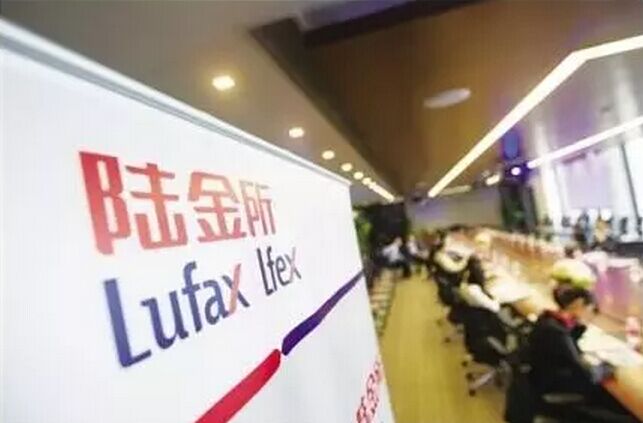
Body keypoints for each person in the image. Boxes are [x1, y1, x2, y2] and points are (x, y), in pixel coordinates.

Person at [528, 287, 637, 422]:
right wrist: (606, 367)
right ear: (579, 304)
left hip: (545, 381)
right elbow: (588, 375)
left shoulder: (547, 319)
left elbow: (571, 347)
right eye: (590, 310)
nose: (591, 316)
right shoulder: (557, 332)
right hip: (556, 387)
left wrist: (580, 325)